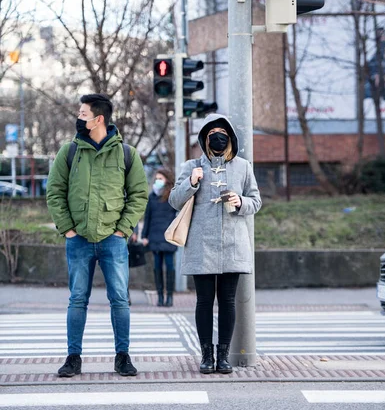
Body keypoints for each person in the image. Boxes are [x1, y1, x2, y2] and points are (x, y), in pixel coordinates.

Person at [46, 93, 148, 378]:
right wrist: (67, 228)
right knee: (77, 299)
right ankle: (73, 357)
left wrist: (122, 230)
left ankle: (122, 356)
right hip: (77, 239)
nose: (78, 118)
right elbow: (54, 192)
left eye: (82, 113)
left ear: (98, 118)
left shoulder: (126, 153)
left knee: (120, 299)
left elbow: (139, 195)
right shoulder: (69, 151)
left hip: (112, 240)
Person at [169, 114, 262, 374]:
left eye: (222, 132)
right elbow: (174, 201)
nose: (217, 136)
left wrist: (240, 201)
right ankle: (206, 356)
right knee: (204, 301)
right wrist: (191, 182)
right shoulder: (192, 166)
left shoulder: (243, 166)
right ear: (205, 138)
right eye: (212, 133)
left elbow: (256, 201)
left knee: (228, 301)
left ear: (230, 137)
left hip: (232, 243)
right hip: (201, 243)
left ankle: (223, 357)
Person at [141, 168, 177, 307]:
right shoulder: (152, 197)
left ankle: (170, 297)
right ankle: (160, 296)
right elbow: (147, 217)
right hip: (155, 237)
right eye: (156, 179)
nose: (157, 181)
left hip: (168, 237)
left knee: (169, 267)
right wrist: (144, 235)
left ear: (167, 180)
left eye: (160, 178)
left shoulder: (172, 195)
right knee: (156, 268)